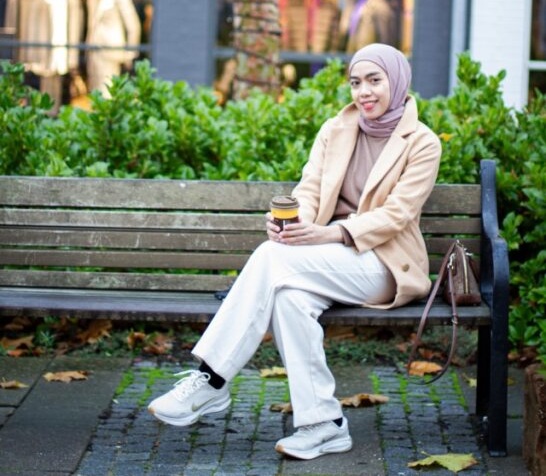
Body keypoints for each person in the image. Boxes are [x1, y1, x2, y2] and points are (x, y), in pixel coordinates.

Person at [148, 43, 441, 461]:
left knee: (272, 258)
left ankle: (211, 379)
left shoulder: (422, 142)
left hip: (383, 264)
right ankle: (324, 424)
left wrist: (330, 234)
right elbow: (308, 189)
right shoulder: (336, 129)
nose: (364, 92)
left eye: (375, 81)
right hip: (326, 260)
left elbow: (397, 215)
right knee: (289, 298)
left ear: (397, 80)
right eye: (356, 82)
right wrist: (288, 222)